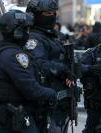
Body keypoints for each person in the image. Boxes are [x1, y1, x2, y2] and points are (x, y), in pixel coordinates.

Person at [0, 10, 59, 133]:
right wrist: (52, 93)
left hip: (10, 113)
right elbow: (32, 90)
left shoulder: (2, 51)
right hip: (17, 116)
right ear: (17, 31)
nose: (27, 33)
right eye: (25, 30)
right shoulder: (14, 56)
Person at [25, 0, 75, 133]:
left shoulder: (53, 37)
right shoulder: (34, 39)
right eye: (47, 13)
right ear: (35, 15)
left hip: (61, 103)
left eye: (53, 13)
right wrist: (62, 69)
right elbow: (38, 64)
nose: (52, 16)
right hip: (47, 105)